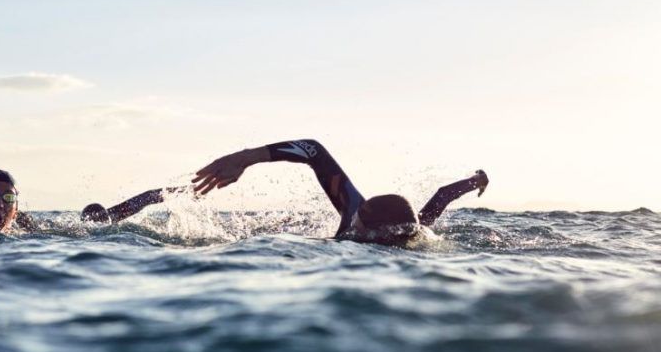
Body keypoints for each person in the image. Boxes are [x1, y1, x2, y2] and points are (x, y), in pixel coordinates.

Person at [192, 138, 488, 245]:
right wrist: (245, 158)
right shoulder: (407, 224)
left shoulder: (401, 233)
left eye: (357, 219)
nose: (351, 218)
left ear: (376, 231)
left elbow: (442, 196)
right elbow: (442, 196)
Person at [81, 187, 186, 224]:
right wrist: (186, 191)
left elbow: (148, 196)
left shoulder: (115, 214)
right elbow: (148, 196)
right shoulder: (115, 215)